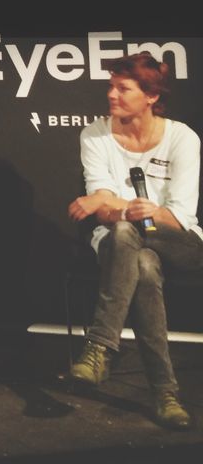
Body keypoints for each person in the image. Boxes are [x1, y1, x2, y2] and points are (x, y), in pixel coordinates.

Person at [66, 52, 202, 430]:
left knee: (131, 236)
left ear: (151, 96)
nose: (112, 95)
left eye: (122, 88)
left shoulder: (182, 138)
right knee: (137, 258)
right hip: (119, 242)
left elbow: (177, 217)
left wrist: (113, 202)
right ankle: (165, 393)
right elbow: (105, 215)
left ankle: (99, 346)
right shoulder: (94, 135)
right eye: (110, 86)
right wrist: (123, 208)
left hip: (179, 243)